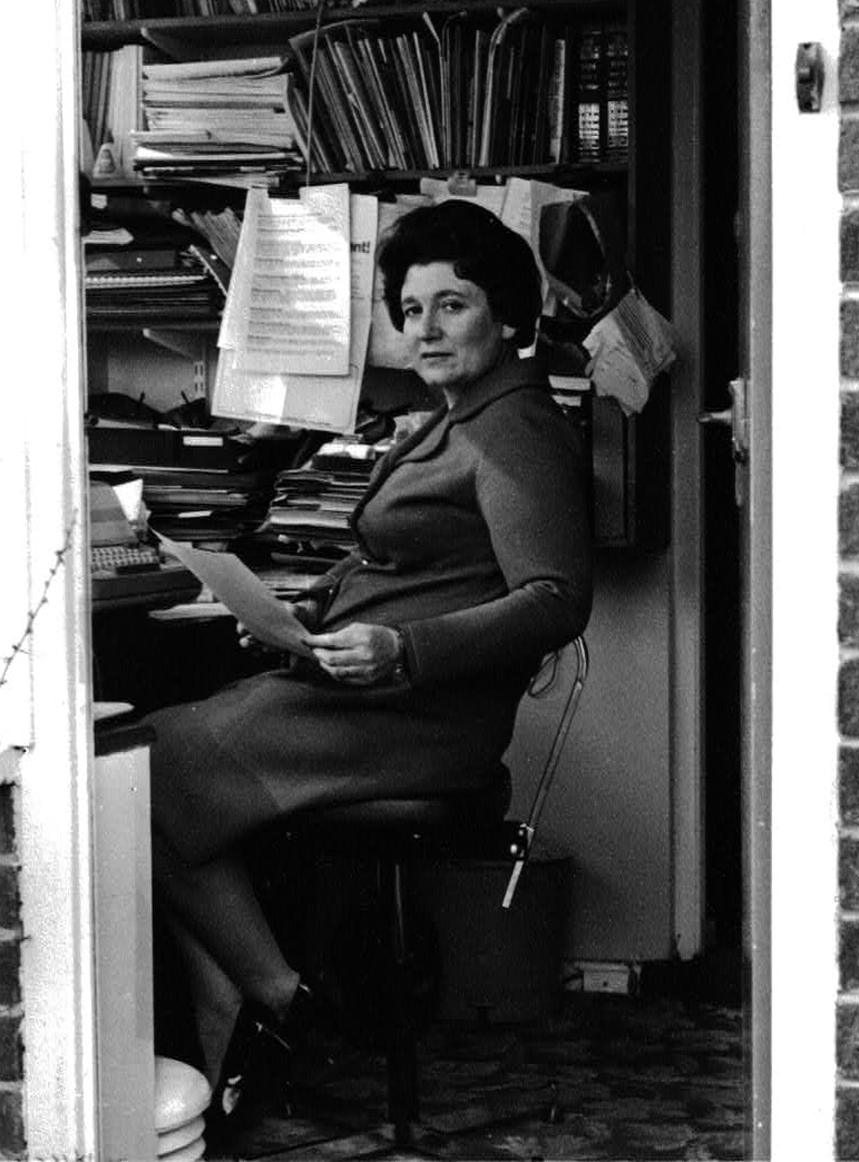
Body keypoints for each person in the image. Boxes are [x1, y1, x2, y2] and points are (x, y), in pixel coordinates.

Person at [147, 198, 593, 1125]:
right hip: (365, 692)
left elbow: (555, 600)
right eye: (413, 306)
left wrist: (404, 645)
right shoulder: (454, 416)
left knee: (146, 765)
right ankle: (238, 1001)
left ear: (507, 316)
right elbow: (413, 560)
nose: (424, 329)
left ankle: (277, 1000)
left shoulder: (516, 429)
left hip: (421, 718)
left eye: (452, 305)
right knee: (144, 761)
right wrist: (309, 609)